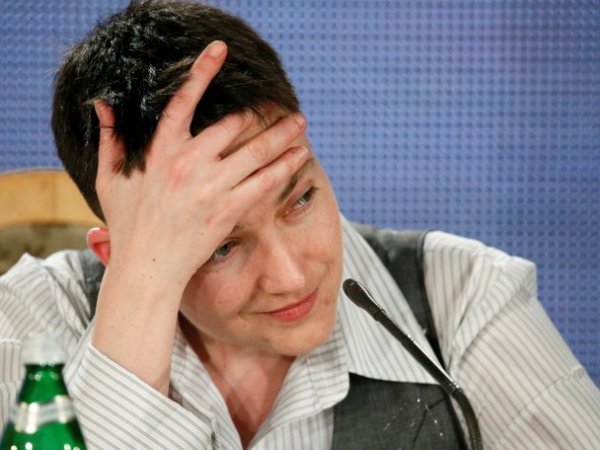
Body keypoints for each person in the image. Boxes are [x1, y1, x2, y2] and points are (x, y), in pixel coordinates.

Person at [1, 0, 599, 448]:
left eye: (301, 199)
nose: (290, 276)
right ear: (118, 256)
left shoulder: (463, 297)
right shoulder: (29, 327)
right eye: (221, 246)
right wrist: (143, 285)